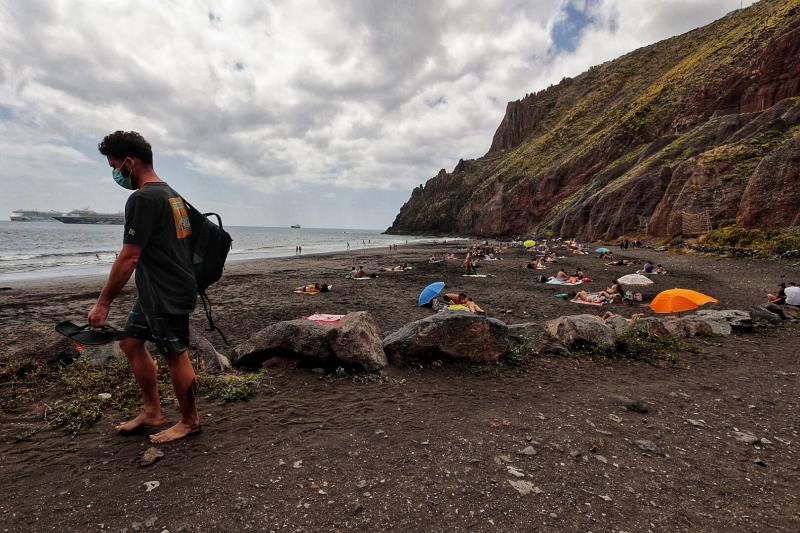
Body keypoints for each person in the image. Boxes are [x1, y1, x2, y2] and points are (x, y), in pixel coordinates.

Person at [88, 131, 199, 443]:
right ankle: (153, 412)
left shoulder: (143, 198)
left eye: (114, 165)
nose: (115, 172)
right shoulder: (172, 195)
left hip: (167, 291)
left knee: (175, 354)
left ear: (129, 162)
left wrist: (103, 302)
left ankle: (190, 421)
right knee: (131, 343)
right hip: (157, 288)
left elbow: (129, 255)